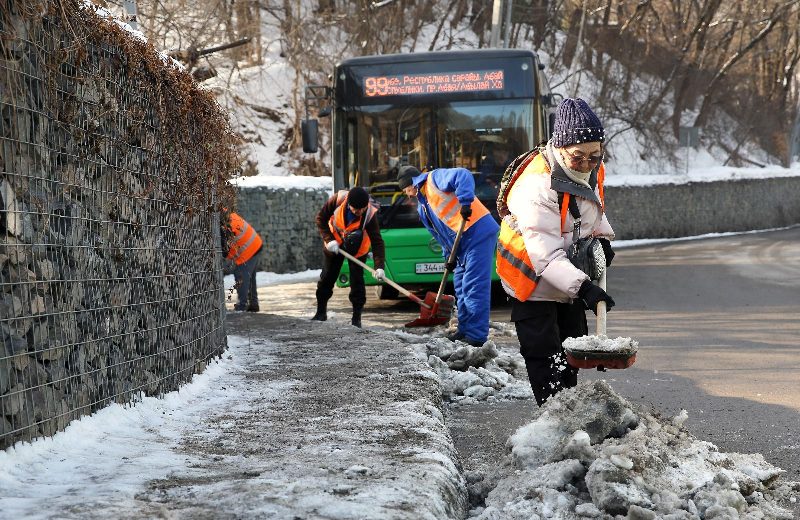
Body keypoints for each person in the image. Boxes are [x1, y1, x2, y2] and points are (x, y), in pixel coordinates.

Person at [496, 97, 616, 406]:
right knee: (545, 355)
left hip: (567, 272)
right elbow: (546, 256)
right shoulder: (537, 185)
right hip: (530, 278)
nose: (588, 164)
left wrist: (602, 241)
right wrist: (585, 287)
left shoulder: (591, 170)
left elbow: (592, 213)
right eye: (580, 158)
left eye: (596, 155)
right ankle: (553, 419)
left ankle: (569, 410)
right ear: (560, 147)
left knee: (571, 347)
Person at [397, 165, 499, 347]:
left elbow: (463, 175)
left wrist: (466, 202)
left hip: (477, 232)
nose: (408, 194)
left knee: (474, 287)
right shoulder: (423, 207)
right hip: (459, 245)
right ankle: (465, 329)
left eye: (406, 189)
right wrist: (448, 258)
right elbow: (440, 234)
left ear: (411, 182)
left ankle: (476, 337)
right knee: (460, 287)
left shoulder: (434, 180)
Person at [312, 186, 385, 328]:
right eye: (355, 209)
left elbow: (377, 241)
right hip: (334, 244)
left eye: (362, 209)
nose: (359, 212)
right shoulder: (337, 200)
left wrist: (379, 267)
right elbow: (320, 218)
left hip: (358, 248)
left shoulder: (369, 213)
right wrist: (329, 239)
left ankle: (356, 319)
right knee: (327, 278)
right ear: (348, 203)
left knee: (357, 282)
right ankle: (321, 312)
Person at [222, 212, 264, 312]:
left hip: (248, 250)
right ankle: (253, 304)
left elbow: (224, 250)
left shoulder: (223, 225)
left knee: (241, 276)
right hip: (255, 243)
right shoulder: (226, 213)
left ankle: (242, 306)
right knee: (249, 278)